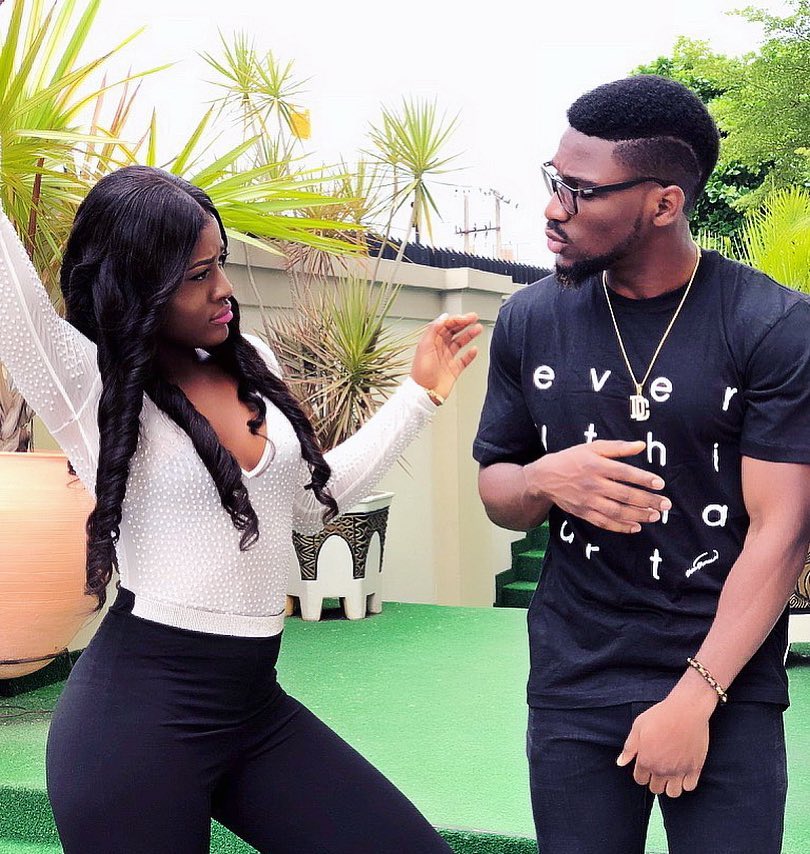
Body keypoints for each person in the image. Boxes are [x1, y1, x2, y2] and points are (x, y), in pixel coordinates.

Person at [0, 164, 482, 853]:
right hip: (134, 725)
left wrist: (418, 395)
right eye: (197, 275)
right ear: (137, 284)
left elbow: (310, 505)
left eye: (219, 262)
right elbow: (12, 297)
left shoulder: (247, 360)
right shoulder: (89, 384)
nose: (223, 288)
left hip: (252, 708)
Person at [473, 75, 810, 854]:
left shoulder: (772, 326)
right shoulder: (528, 319)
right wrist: (543, 479)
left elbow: (784, 530)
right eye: (553, 179)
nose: (553, 208)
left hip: (725, 678)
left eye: (581, 191)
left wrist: (695, 698)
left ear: (664, 203)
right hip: (574, 678)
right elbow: (497, 487)